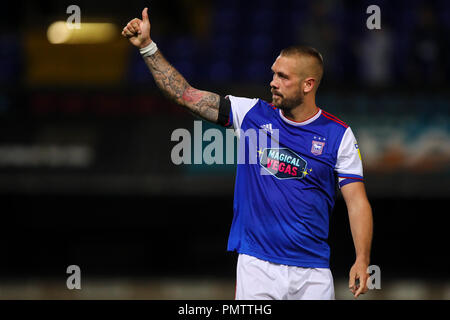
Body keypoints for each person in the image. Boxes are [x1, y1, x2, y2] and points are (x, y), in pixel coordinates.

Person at [122, 8, 373, 300]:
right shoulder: (250, 113)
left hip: (313, 274)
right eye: (273, 74)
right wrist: (147, 47)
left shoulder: (338, 135)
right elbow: (184, 95)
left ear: (308, 85)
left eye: (283, 77)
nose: (273, 82)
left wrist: (362, 259)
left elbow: (357, 202)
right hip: (257, 267)